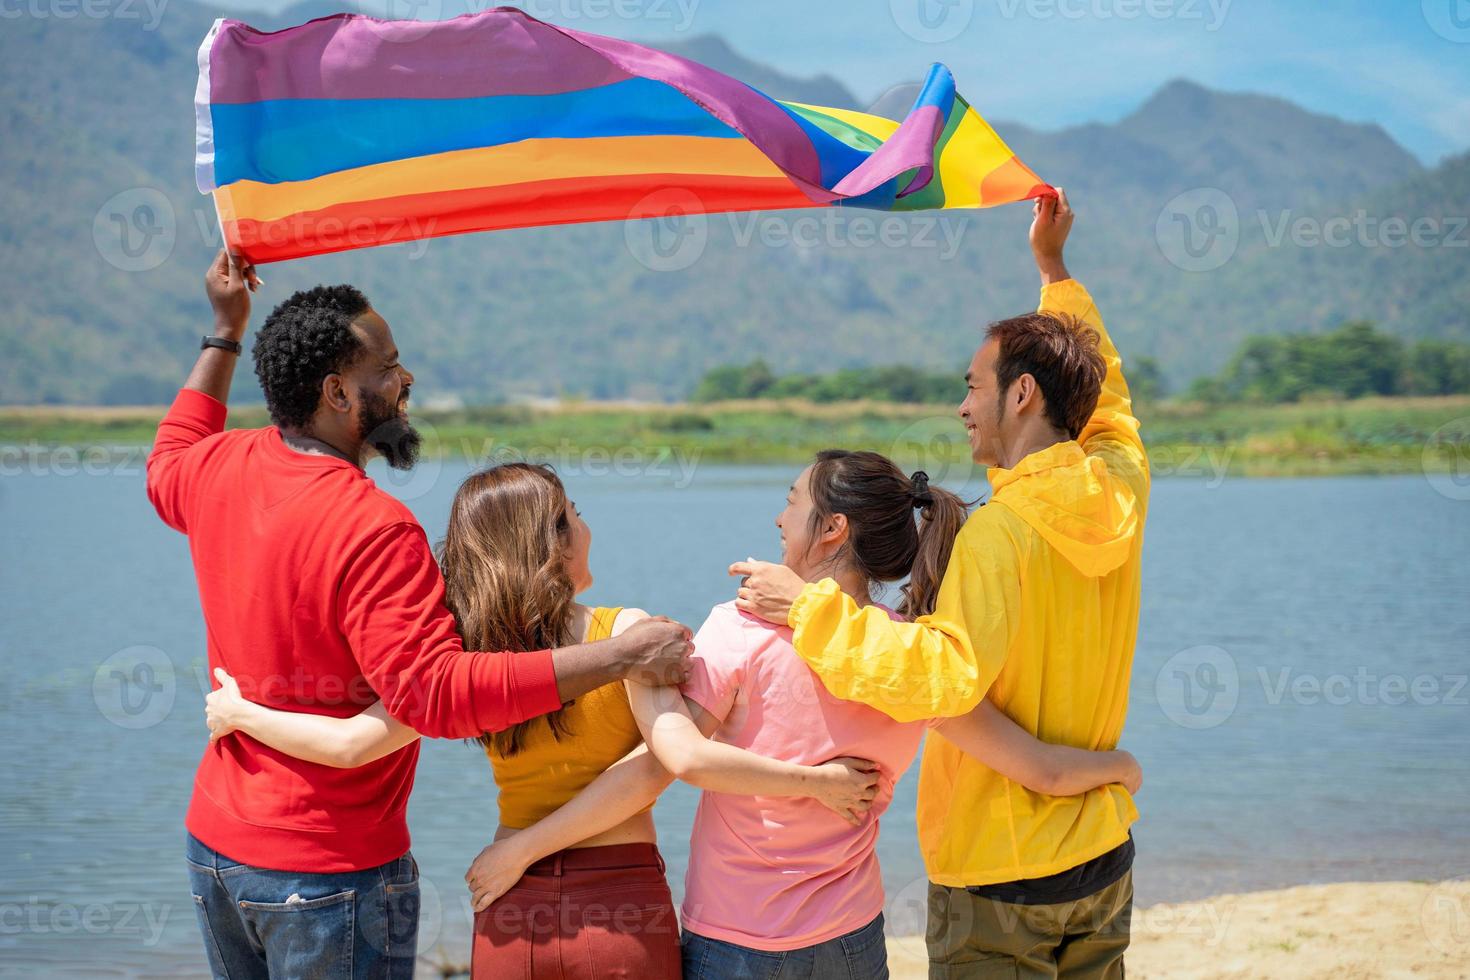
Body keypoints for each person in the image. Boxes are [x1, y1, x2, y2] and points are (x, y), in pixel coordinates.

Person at [149, 253, 692, 980]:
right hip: (328, 876)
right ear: (339, 392)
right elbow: (433, 696)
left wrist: (223, 332)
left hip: (215, 850)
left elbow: (167, 459)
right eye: (390, 367)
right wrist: (618, 656)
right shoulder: (372, 526)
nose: (405, 382)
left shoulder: (219, 467)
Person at [460, 448, 1142, 979]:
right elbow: (1042, 770)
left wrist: (522, 848)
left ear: (830, 530)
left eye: (791, 503)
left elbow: (663, 765)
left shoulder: (738, 629)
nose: (779, 518)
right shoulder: (910, 659)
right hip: (850, 939)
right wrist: (1120, 767)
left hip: (736, 942)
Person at [204, 461, 883, 979]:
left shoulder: (467, 663)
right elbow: (659, 767)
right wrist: (815, 781)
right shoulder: (629, 634)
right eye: (574, 514)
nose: (588, 527)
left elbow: (352, 744)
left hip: (508, 905)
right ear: (553, 544)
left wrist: (242, 713)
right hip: (619, 906)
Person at [733, 190, 1151, 978]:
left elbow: (938, 679)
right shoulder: (1120, 488)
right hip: (1101, 850)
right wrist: (1054, 273)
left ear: (1021, 395)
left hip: (1002, 872)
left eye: (973, 386)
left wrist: (809, 607)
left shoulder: (1002, 532)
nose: (962, 408)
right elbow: (1112, 408)